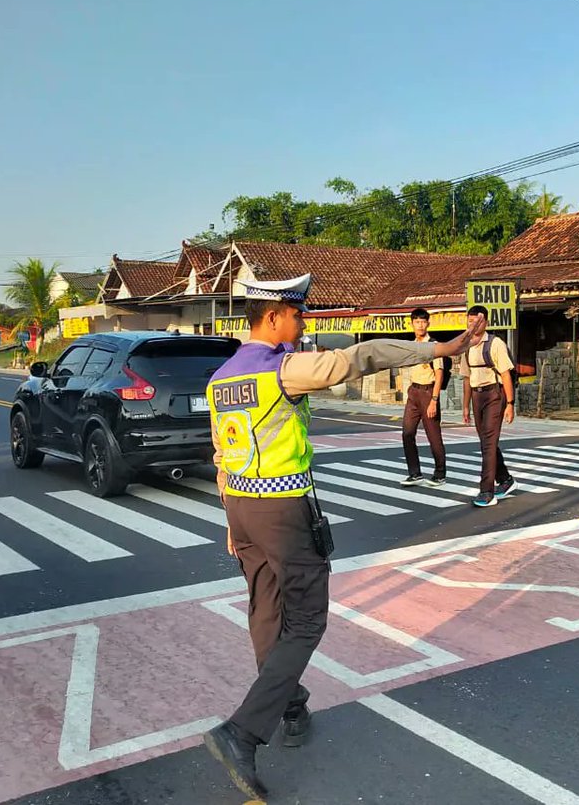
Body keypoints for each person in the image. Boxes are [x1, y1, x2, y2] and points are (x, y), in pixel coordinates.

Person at [201, 273, 472, 801]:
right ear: (275, 315)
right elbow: (359, 357)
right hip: (282, 507)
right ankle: (242, 732)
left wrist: (231, 523)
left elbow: (220, 453)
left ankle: (291, 705)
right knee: (306, 619)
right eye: (298, 314)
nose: (302, 323)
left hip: (241, 505)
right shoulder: (280, 369)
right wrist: (436, 346)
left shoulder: (221, 379)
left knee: (265, 609)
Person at [460, 305, 517, 507]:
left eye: (478, 321)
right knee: (486, 441)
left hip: (494, 395)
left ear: (486, 323)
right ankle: (506, 479)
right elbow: (466, 379)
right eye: (470, 321)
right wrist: (465, 406)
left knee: (488, 443)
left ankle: (487, 491)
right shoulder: (465, 345)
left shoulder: (495, 344)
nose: (473, 325)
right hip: (477, 396)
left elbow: (505, 374)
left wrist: (510, 403)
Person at [400, 308, 448, 486]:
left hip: (429, 392)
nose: (420, 325)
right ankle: (414, 473)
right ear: (411, 324)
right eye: (416, 322)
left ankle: (440, 473)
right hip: (414, 392)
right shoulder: (412, 345)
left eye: (423, 322)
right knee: (407, 432)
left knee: (433, 435)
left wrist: (434, 400)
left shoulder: (433, 346)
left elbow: (439, 373)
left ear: (428, 323)